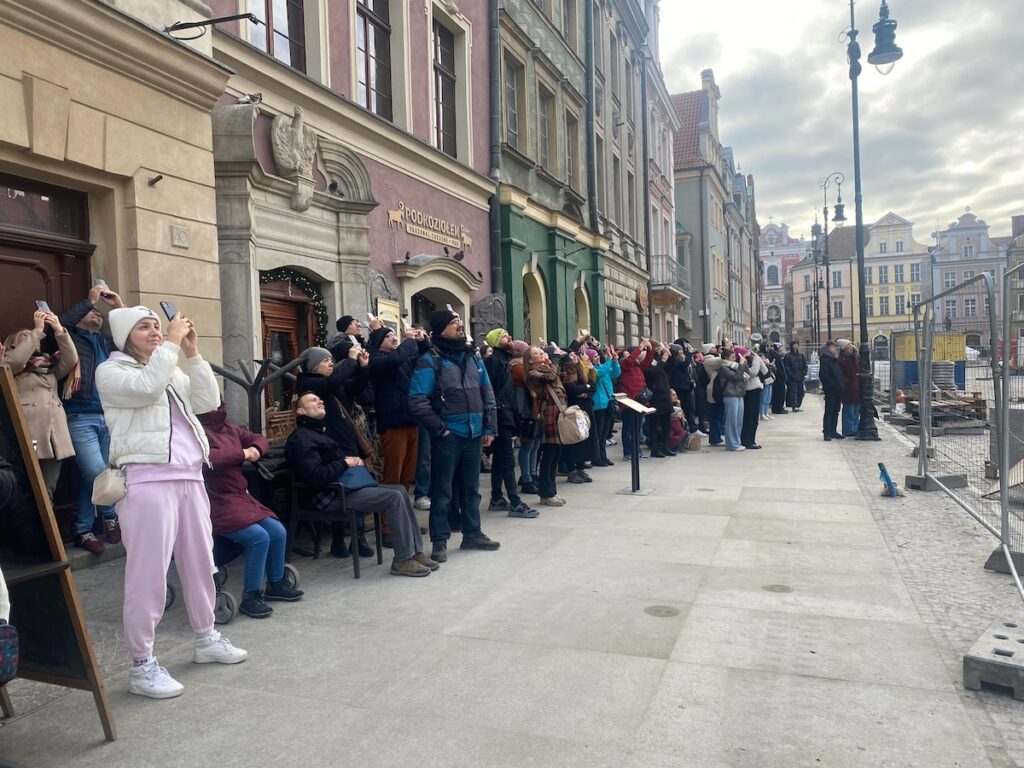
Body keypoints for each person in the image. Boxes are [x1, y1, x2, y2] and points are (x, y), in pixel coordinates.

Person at [96, 306, 247, 700]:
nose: (155, 332)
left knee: (201, 563)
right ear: (124, 335)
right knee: (148, 573)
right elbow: (146, 388)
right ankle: (142, 665)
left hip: (190, 477)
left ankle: (206, 636)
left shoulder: (167, 367)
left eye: (156, 327)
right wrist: (173, 345)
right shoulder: (112, 372)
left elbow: (207, 402)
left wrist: (193, 354)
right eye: (143, 327)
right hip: (147, 481)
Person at [286, 391, 438, 577]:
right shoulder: (301, 438)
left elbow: (327, 466)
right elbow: (315, 476)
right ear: (301, 411)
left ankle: (415, 552)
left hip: (343, 489)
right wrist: (344, 463)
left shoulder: (319, 432)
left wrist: (348, 460)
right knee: (394, 497)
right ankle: (403, 559)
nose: (319, 401)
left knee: (400, 490)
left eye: (319, 398)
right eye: (312, 400)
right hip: (331, 496)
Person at [408, 309, 500, 562]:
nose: (459, 325)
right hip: (449, 435)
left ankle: (473, 533)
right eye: (453, 322)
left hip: (474, 432)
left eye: (459, 321)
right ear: (440, 329)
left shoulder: (472, 356)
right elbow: (417, 401)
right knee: (443, 490)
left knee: (472, 488)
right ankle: (439, 541)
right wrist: (440, 429)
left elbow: (487, 393)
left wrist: (489, 427)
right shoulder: (430, 359)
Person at [198, 404, 303, 619]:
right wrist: (242, 453)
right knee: (258, 537)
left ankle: (276, 583)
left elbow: (258, 438)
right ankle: (251, 595)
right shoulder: (196, 429)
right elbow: (210, 459)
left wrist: (255, 449)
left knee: (277, 531)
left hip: (238, 495)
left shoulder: (228, 426)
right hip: (213, 500)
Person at [58, 284, 126, 553]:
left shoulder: (107, 342)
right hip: (80, 416)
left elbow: (132, 336)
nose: (97, 313)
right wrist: (90, 299)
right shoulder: (71, 337)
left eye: (100, 313)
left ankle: (83, 530)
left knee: (96, 476)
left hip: (109, 416)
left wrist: (118, 307)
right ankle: (110, 516)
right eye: (91, 312)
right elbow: (61, 322)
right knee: (98, 473)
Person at [295, 343, 373, 558]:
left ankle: (357, 537)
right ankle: (339, 539)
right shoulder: (308, 383)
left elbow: (354, 389)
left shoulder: (331, 381)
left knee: (357, 487)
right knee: (344, 490)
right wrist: (349, 360)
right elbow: (333, 382)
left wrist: (363, 367)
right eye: (325, 361)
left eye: (332, 360)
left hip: (347, 442)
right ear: (312, 366)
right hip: (329, 447)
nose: (331, 363)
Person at [3, 309, 79, 500]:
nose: (32, 336)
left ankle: (48, 527)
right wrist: (37, 329)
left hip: (55, 433)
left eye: (34, 336)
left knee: (48, 489)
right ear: (13, 343)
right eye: (25, 336)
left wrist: (59, 329)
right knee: (26, 487)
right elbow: (16, 361)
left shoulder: (48, 366)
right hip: (30, 431)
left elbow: (71, 359)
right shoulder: (8, 363)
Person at [366, 323, 431, 544]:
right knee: (392, 477)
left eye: (395, 335)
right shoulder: (376, 360)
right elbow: (395, 360)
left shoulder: (401, 356)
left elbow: (423, 356)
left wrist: (422, 341)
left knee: (406, 478)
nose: (394, 338)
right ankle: (386, 528)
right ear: (378, 342)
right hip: (392, 423)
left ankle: (404, 523)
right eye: (389, 336)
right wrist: (410, 340)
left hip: (410, 420)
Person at [483, 328, 537, 518]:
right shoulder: (493, 362)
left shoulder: (502, 361)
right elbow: (488, 391)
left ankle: (497, 497)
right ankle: (514, 502)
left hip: (504, 416)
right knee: (507, 461)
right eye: (506, 336)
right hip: (499, 416)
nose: (510, 338)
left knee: (500, 460)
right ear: (497, 341)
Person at [525, 345, 566, 506]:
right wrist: (555, 359)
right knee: (548, 456)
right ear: (530, 360)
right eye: (537, 353)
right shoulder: (532, 373)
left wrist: (568, 360)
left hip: (557, 413)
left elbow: (567, 378)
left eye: (541, 352)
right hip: (547, 415)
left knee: (556, 454)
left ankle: (552, 491)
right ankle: (546, 493)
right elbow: (549, 378)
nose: (541, 354)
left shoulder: (549, 368)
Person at [558, 349, 595, 482]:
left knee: (584, 439)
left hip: (584, 407)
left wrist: (587, 392)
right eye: (571, 356)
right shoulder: (566, 375)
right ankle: (571, 470)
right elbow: (573, 390)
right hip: (571, 410)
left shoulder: (581, 371)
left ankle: (581, 468)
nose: (575, 357)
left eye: (575, 355)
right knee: (573, 439)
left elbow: (593, 385)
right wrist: (586, 386)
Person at [617, 341, 653, 460]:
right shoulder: (624, 365)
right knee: (628, 429)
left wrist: (650, 349)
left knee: (637, 429)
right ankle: (628, 453)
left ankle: (637, 451)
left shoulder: (637, 367)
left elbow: (647, 361)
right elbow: (628, 361)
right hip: (628, 403)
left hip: (639, 402)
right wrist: (640, 348)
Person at [591, 345, 620, 467]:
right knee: (599, 432)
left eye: (597, 356)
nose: (597, 358)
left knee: (604, 433)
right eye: (595, 356)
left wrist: (615, 361)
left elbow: (616, 373)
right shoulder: (591, 369)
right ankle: (596, 457)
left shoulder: (602, 366)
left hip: (608, 402)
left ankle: (603, 456)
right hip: (599, 404)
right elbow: (601, 374)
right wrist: (608, 359)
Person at [643, 344, 675, 457]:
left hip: (665, 394)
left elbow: (670, 368)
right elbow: (652, 373)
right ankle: (655, 448)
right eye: (656, 347)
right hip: (655, 396)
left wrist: (669, 356)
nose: (658, 349)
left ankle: (665, 446)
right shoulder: (648, 362)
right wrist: (662, 360)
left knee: (667, 423)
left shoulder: (658, 360)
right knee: (654, 424)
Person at [717, 347, 748, 451]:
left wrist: (744, 365)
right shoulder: (723, 367)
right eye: (732, 357)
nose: (735, 359)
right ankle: (731, 444)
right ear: (726, 358)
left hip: (739, 394)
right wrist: (741, 366)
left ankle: (737, 442)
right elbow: (736, 377)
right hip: (730, 395)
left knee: (739, 421)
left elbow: (746, 375)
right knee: (731, 421)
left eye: (735, 357)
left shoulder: (736, 366)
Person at [739, 345, 767, 449]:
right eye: (746, 352)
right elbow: (753, 372)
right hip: (749, 390)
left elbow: (763, 370)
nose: (749, 353)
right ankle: (747, 441)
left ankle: (752, 440)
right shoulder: (745, 362)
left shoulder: (751, 359)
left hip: (756, 387)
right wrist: (756, 359)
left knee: (754, 418)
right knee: (749, 417)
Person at [818, 341, 844, 441]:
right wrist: (833, 385)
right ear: (827, 349)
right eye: (832, 347)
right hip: (831, 390)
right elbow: (824, 376)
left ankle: (833, 430)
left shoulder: (834, 360)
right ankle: (827, 432)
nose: (835, 349)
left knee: (836, 411)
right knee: (829, 411)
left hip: (837, 389)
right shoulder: (825, 360)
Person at [837, 339, 861, 437]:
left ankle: (854, 428)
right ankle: (848, 430)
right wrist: (848, 383)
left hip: (856, 386)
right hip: (849, 388)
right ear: (844, 348)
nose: (851, 346)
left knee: (856, 410)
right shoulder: (842, 360)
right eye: (848, 345)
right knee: (849, 410)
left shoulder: (854, 357)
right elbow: (842, 375)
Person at [703, 346, 725, 446]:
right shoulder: (708, 360)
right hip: (714, 391)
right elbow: (721, 360)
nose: (715, 349)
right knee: (715, 415)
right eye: (712, 348)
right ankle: (715, 438)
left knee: (719, 415)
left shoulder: (714, 359)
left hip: (718, 390)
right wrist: (726, 354)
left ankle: (718, 436)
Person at [784, 341, 808, 412]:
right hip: (792, 378)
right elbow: (787, 367)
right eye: (794, 344)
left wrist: (804, 373)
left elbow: (805, 365)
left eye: (797, 344)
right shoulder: (788, 356)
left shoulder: (801, 355)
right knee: (793, 392)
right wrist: (791, 375)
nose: (796, 346)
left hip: (800, 376)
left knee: (801, 392)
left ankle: (798, 405)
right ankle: (794, 406)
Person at [769, 342, 789, 415]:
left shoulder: (778, 356)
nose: (783, 349)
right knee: (779, 394)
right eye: (781, 348)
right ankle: (778, 408)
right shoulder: (776, 356)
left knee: (781, 393)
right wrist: (782, 375)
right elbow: (778, 368)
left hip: (781, 378)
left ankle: (779, 407)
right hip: (779, 379)